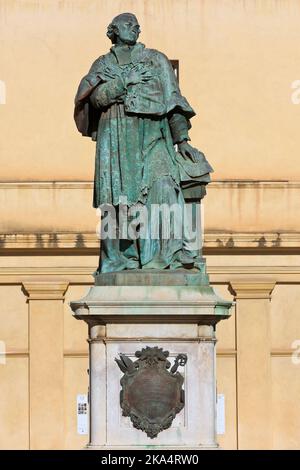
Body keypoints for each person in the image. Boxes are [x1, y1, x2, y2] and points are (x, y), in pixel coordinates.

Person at [74, 13, 212, 273]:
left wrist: (181, 139)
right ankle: (121, 258)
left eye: (137, 25)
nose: (136, 28)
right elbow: (95, 99)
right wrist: (124, 82)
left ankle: (166, 255)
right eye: (128, 24)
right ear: (113, 31)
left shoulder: (156, 60)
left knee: (164, 185)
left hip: (153, 135)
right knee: (117, 198)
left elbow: (174, 100)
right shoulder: (102, 64)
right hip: (115, 137)